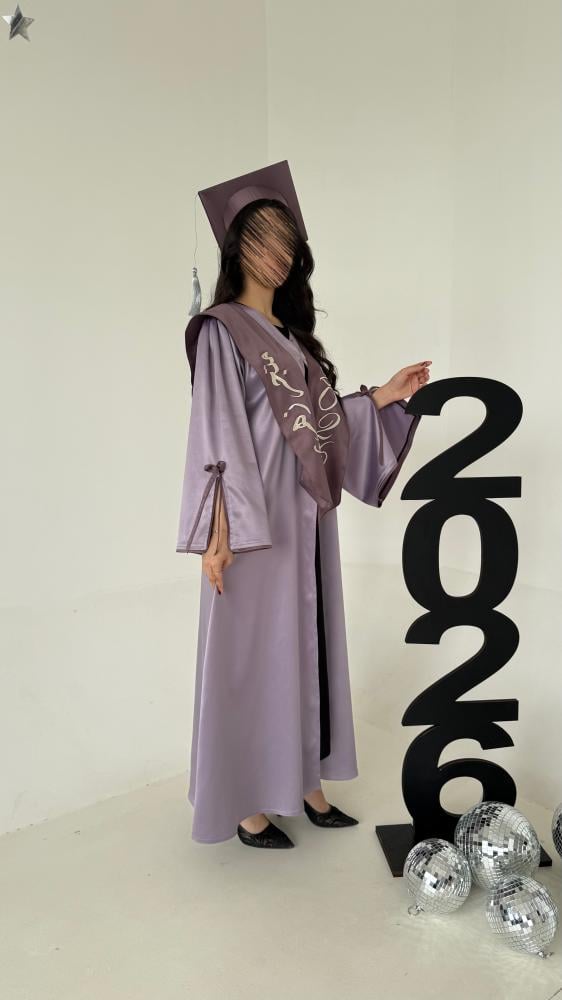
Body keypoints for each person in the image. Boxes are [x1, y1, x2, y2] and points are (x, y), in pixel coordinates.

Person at [176, 160, 431, 849]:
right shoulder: (223, 330)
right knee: (250, 655)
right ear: (238, 246)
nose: (279, 255)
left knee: (305, 646)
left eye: (288, 243)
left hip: (308, 522)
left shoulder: (292, 340)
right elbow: (216, 433)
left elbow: (320, 427)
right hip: (255, 523)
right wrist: (218, 536)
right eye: (265, 240)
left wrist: (383, 397)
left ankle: (305, 780)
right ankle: (244, 802)